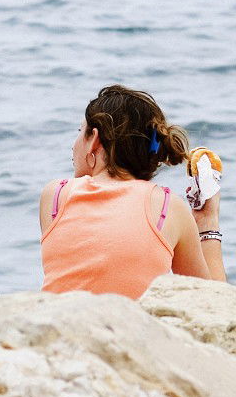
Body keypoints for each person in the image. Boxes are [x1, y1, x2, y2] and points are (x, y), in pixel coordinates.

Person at [39, 84, 226, 299]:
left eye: (80, 132)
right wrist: (207, 222)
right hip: (132, 330)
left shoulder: (54, 196)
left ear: (94, 140)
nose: (74, 145)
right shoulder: (167, 206)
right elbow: (213, 301)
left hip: (59, 328)